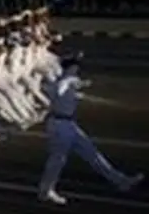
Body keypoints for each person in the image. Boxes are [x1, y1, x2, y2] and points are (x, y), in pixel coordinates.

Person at [36, 55, 143, 205]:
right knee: (58, 160)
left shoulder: (66, 81)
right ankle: (46, 191)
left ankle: (121, 181)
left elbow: (66, 92)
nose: (78, 69)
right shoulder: (66, 80)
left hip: (68, 125)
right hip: (60, 126)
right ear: (71, 67)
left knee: (92, 154)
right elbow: (61, 89)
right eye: (76, 66)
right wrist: (69, 86)